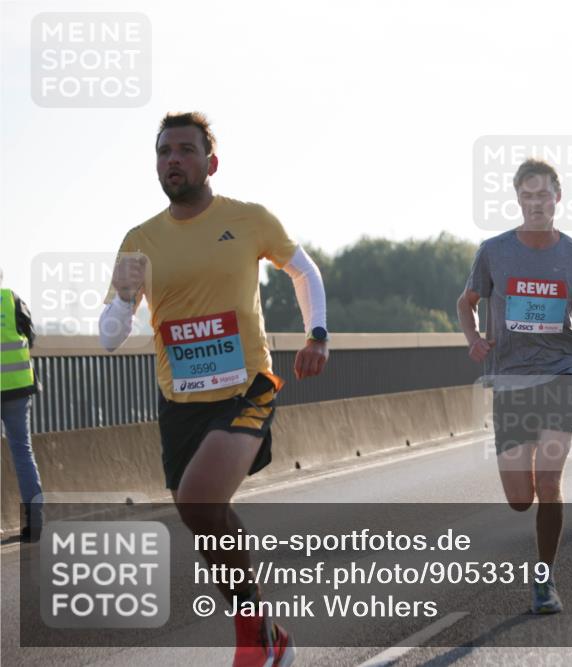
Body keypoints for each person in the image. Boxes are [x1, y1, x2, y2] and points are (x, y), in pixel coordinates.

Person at [99, 112, 329, 667]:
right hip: (179, 403)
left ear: (211, 162)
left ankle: (253, 641)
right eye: (163, 152)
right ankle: (266, 631)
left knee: (202, 501)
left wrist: (316, 334)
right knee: (202, 517)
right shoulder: (140, 239)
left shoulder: (248, 219)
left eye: (184, 149)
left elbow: (304, 271)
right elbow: (109, 338)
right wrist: (121, 301)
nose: (172, 160)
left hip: (246, 388)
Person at [457, 159, 572, 614]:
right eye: (528, 196)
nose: (537, 203)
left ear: (557, 198)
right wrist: (474, 339)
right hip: (510, 377)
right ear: (518, 199)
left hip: (564, 370)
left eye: (545, 195)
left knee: (550, 479)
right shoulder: (494, 251)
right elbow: (467, 302)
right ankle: (533, 520)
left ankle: (544, 580)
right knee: (521, 499)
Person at [0, 271, 43, 542]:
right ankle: (35, 521)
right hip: (17, 387)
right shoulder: (13, 300)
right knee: (22, 451)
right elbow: (32, 337)